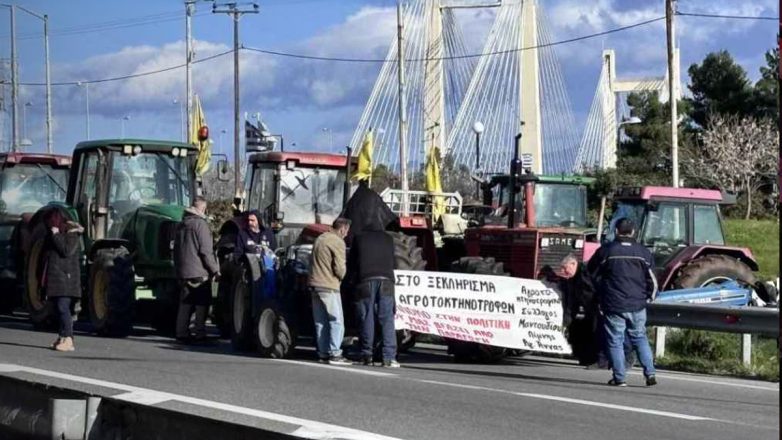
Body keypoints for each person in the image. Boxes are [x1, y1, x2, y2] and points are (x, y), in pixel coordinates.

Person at [589, 218, 658, 387]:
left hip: (613, 304)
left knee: (615, 340)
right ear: (633, 232)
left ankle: (620, 378)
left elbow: (592, 274)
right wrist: (649, 297)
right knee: (640, 337)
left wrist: (600, 297)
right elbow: (653, 280)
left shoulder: (606, 251)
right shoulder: (643, 252)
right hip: (637, 303)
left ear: (616, 231)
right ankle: (650, 374)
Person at [557, 255, 634, 369]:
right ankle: (594, 359)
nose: (563, 271)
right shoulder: (571, 279)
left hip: (602, 305)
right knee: (592, 333)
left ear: (573, 264)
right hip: (590, 308)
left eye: (565, 268)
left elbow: (599, 286)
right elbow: (572, 298)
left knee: (605, 333)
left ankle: (616, 359)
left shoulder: (587, 271)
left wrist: (602, 303)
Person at [347, 223, 399, 368]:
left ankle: (367, 355)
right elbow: (394, 262)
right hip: (387, 281)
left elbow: (352, 263)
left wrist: (350, 281)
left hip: (365, 281)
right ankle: (389, 357)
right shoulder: (389, 239)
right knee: (387, 319)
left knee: (367, 317)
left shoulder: (359, 238)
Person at [173, 196, 220, 343]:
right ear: (203, 208)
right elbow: (206, 251)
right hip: (199, 272)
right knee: (201, 303)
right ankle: (200, 333)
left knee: (185, 303)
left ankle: (181, 333)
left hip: (183, 271)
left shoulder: (181, 225)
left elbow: (175, 250)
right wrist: (215, 270)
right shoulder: (201, 225)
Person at [308, 218, 352, 365]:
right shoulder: (337, 241)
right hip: (329, 285)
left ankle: (323, 353)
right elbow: (340, 268)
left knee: (320, 322)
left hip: (314, 284)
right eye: (347, 231)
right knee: (336, 320)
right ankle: (335, 353)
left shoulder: (320, 238)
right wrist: (343, 277)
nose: (347, 234)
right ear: (342, 229)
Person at [42, 209, 84, 352]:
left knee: (63, 308)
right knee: (57, 309)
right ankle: (62, 337)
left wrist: (56, 235)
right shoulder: (53, 235)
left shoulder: (72, 235)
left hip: (66, 279)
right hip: (56, 278)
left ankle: (69, 339)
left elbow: (66, 251)